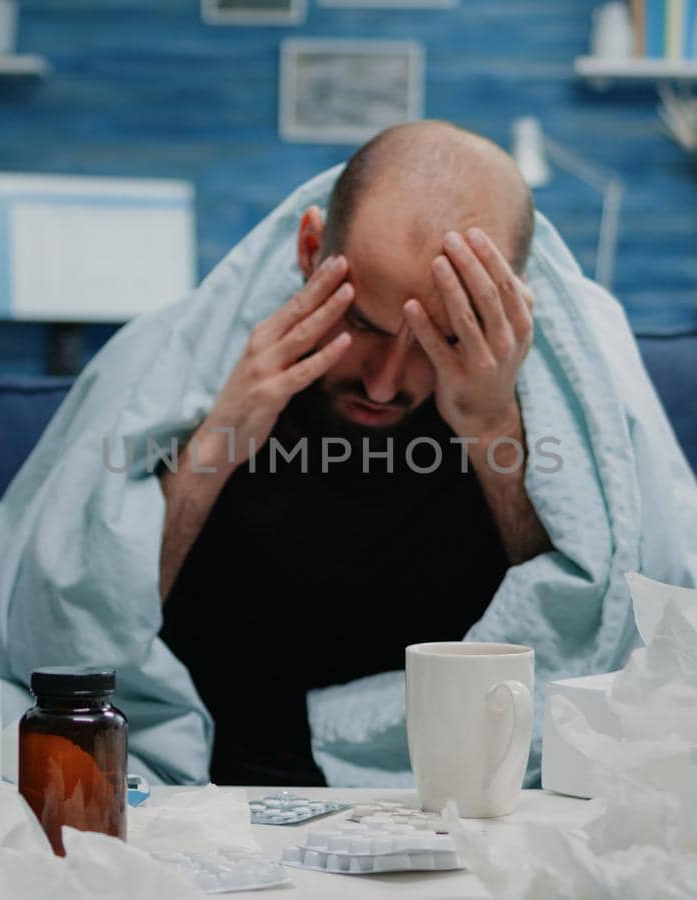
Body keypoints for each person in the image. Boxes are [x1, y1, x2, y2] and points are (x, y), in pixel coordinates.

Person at [157, 120, 554, 785]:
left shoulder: (515, 394)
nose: (383, 381)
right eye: (363, 325)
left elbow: (582, 633)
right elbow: (93, 617)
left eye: (438, 339)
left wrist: (489, 424)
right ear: (311, 248)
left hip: (448, 773)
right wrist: (222, 436)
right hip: (210, 764)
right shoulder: (206, 361)